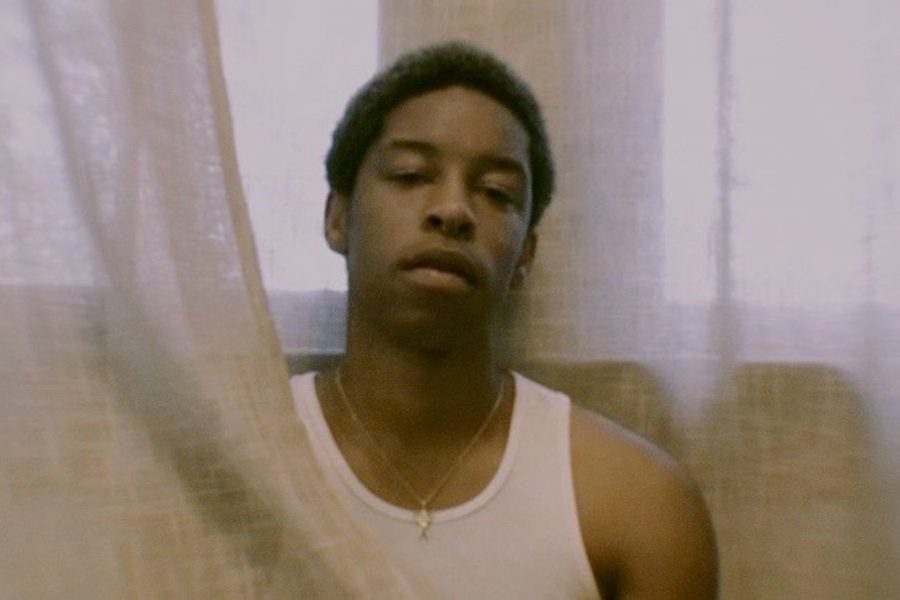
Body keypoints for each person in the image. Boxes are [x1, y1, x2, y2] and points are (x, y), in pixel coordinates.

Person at [289, 41, 718, 598]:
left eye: (496, 192)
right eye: (410, 174)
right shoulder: (236, 467)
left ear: (524, 258)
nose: (453, 210)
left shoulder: (637, 505)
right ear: (338, 218)